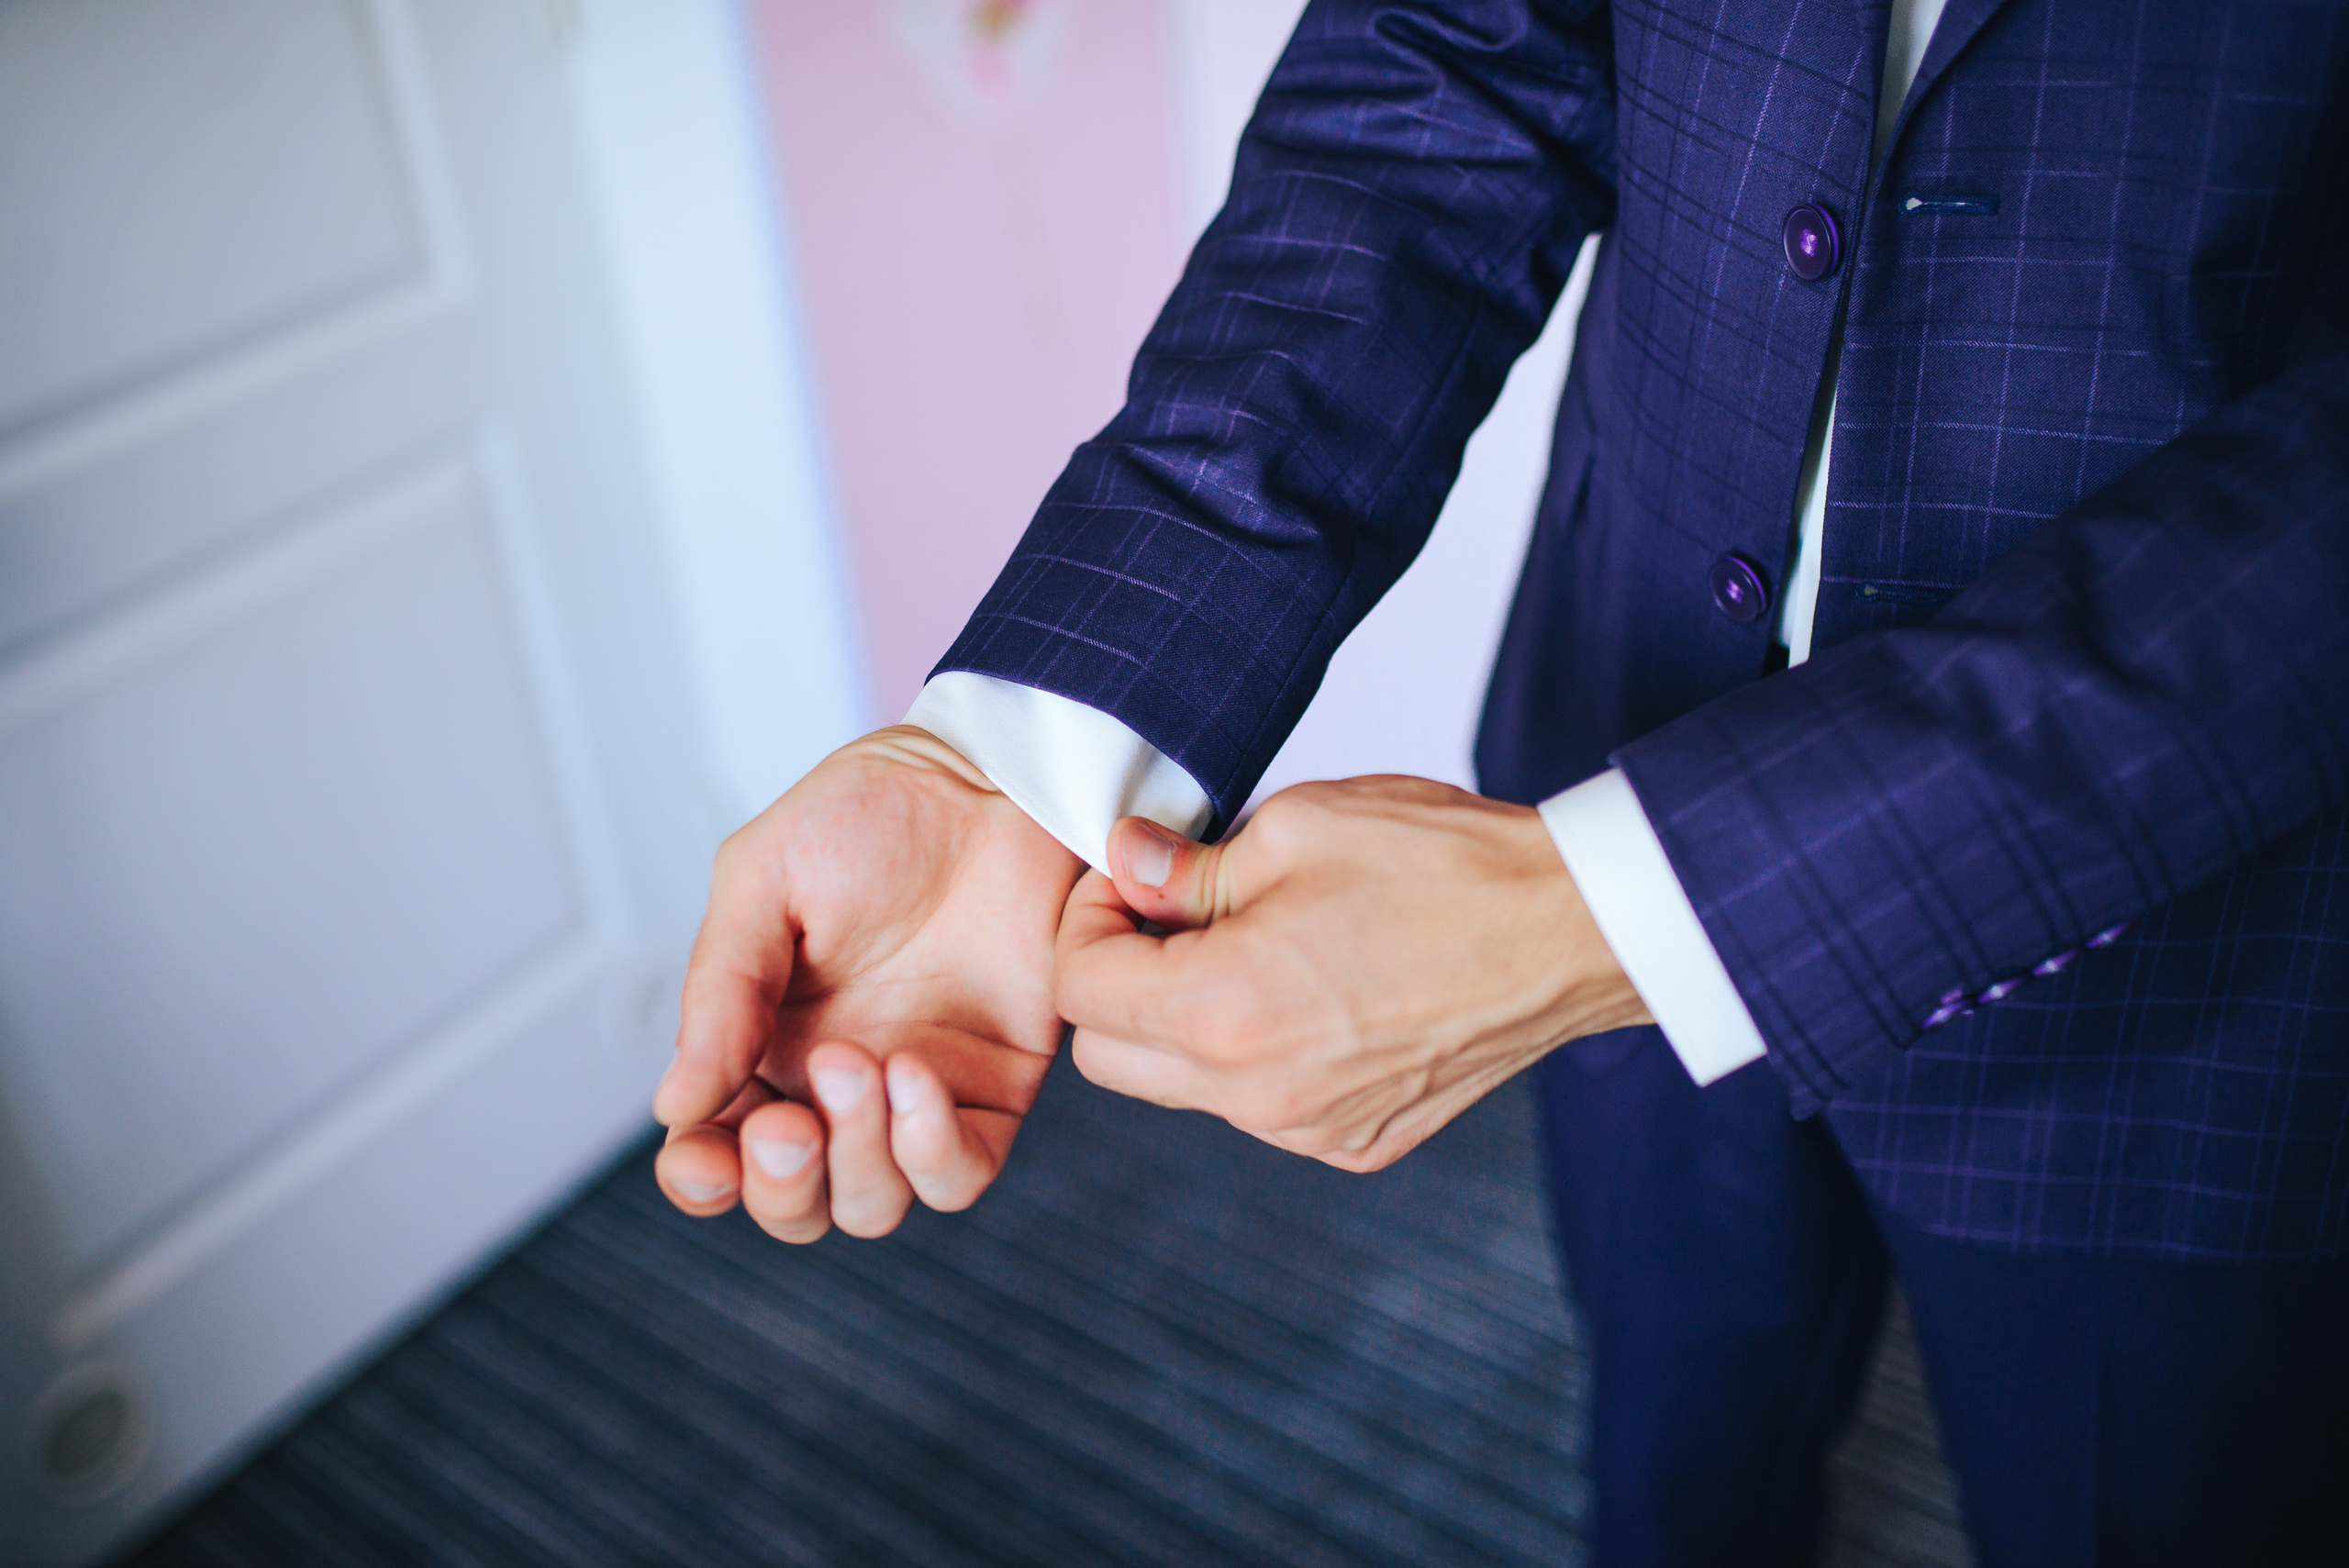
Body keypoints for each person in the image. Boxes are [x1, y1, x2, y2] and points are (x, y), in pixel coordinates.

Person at [651, 1, 2349, 1563]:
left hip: (2196, 965)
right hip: (1623, 712)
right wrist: (1025, 754)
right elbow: (1447, 66)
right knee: (1676, 1461)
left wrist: (1603, 912)